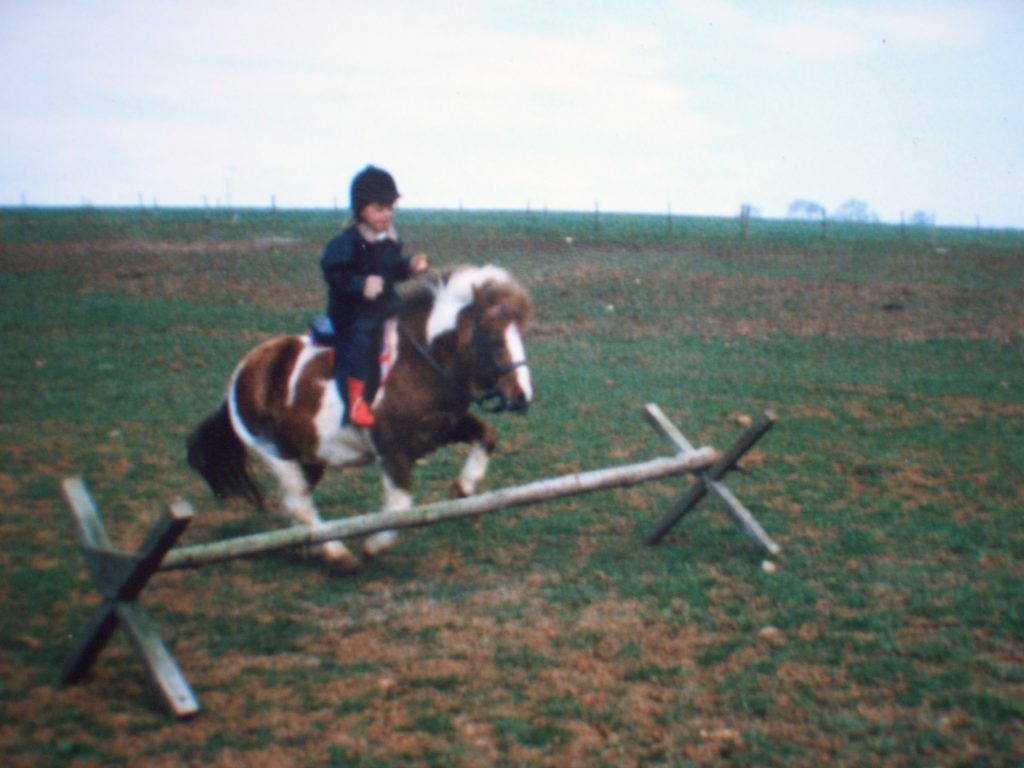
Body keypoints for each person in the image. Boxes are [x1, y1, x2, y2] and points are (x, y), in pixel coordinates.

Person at [320, 166, 429, 428]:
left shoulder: (388, 241)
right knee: (362, 341)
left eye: (390, 208)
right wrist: (360, 285)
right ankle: (357, 401)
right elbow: (333, 272)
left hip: (384, 305)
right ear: (361, 210)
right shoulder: (347, 242)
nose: (386, 215)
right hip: (352, 311)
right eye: (379, 209)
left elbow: (391, 271)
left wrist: (409, 266)